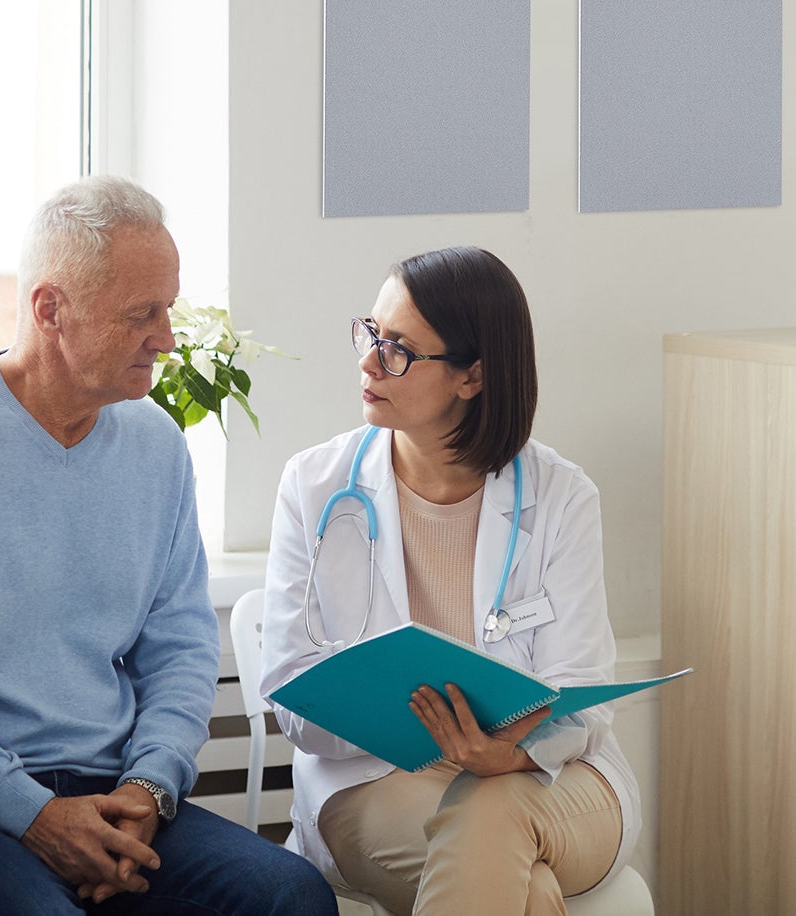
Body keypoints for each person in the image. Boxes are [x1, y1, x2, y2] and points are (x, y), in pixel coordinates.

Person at [0, 176, 336, 916]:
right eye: (140, 314)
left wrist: (148, 788)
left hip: (116, 786)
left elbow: (179, 644)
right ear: (50, 310)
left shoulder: (155, 445)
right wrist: (32, 814)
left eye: (169, 309)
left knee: (288, 895)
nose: (168, 337)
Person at [260, 246, 638, 916]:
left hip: (551, 781)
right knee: (522, 886)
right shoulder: (314, 487)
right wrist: (416, 727)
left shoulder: (561, 496)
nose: (368, 362)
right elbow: (293, 694)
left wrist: (510, 756)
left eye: (398, 349)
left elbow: (581, 693)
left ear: (472, 377)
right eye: (369, 334)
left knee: (493, 817)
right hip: (376, 782)